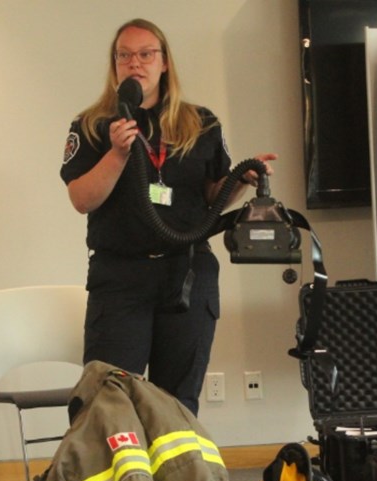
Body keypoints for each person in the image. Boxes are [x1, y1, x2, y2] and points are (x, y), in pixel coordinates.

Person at [60, 18, 277, 416]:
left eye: (146, 54)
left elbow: (213, 195)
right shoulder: (92, 125)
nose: (135, 63)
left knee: (177, 404)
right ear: (115, 66)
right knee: (107, 404)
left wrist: (241, 179)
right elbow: (81, 198)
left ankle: (173, 479)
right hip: (121, 280)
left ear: (164, 64)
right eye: (124, 55)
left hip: (188, 276)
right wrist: (117, 154)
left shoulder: (201, 123)